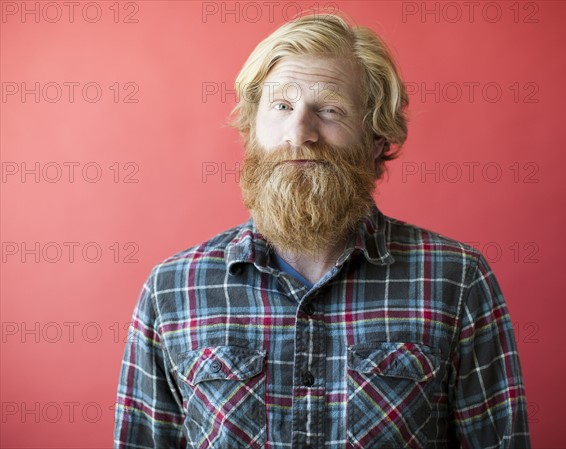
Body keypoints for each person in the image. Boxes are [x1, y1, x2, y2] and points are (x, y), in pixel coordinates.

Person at [114, 12, 530, 449]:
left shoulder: (457, 279)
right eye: (281, 107)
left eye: (329, 109)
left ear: (375, 138)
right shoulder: (172, 290)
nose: (299, 132)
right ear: (252, 132)